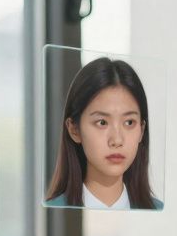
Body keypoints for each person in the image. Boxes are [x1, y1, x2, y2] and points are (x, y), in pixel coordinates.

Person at [45, 56, 162, 210]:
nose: (117, 140)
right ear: (74, 129)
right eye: (102, 122)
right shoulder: (49, 216)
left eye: (129, 122)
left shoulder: (161, 212)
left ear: (141, 130)